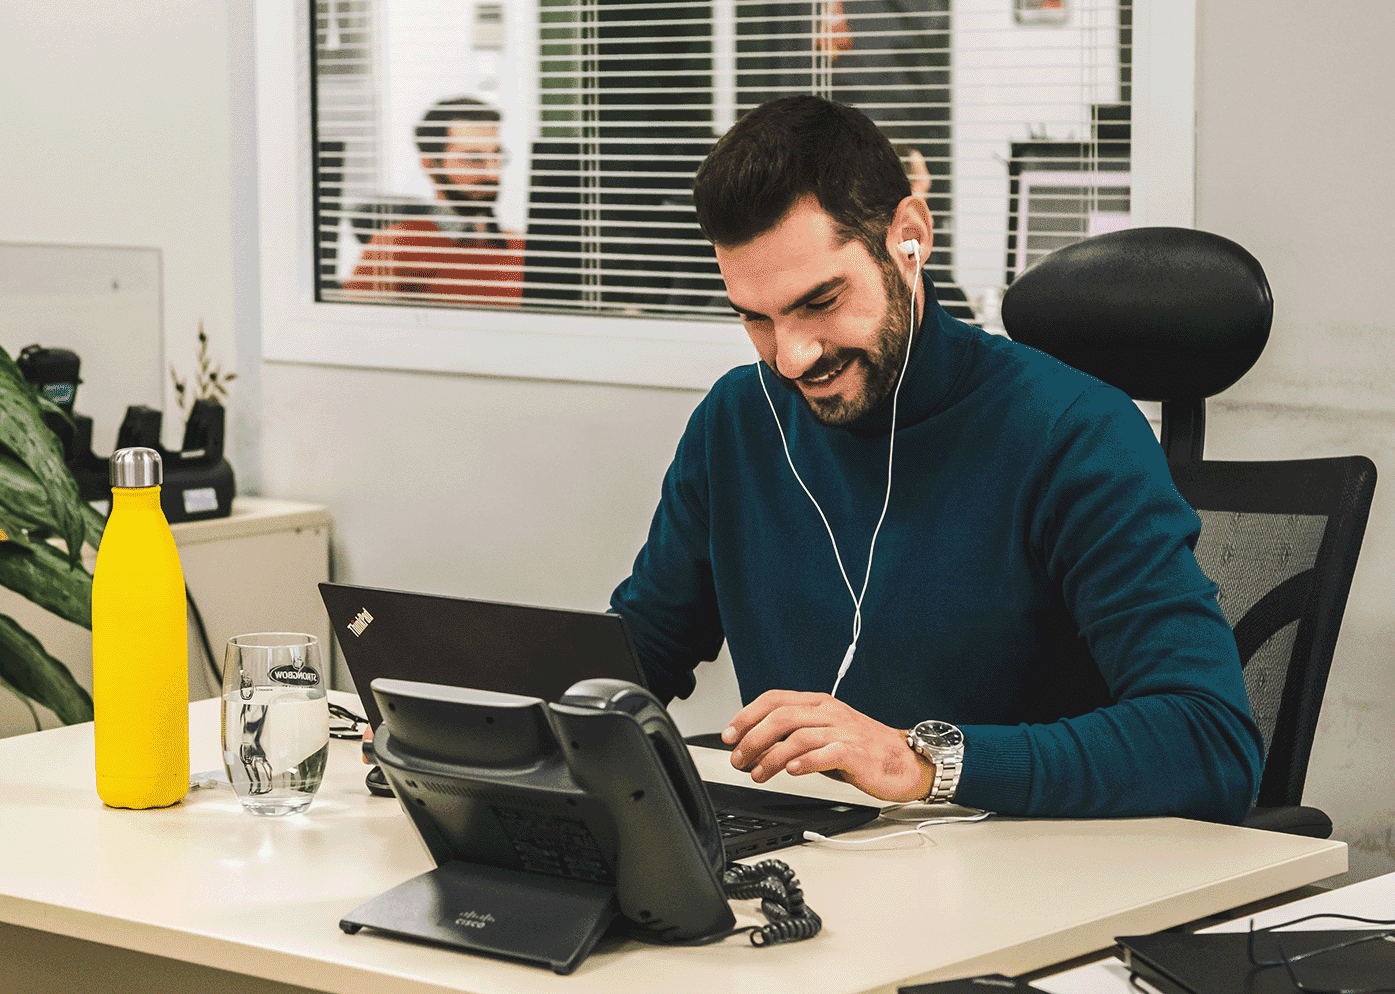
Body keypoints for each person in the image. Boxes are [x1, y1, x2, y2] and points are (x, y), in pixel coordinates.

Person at [611, 95, 1263, 822]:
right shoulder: (736, 421)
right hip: (822, 867)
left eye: (821, 301)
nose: (792, 357)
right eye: (757, 318)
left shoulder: (1074, 433)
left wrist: (915, 761)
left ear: (908, 238)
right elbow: (638, 655)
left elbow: (1208, 741)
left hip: (1032, 879)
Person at [345, 97, 523, 303]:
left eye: (497, 158)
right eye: (474, 159)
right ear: (431, 165)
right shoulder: (396, 247)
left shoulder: (523, 247)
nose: (493, 174)